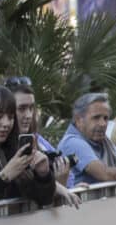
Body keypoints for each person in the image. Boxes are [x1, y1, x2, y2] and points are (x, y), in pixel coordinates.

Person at [5, 80, 81, 208]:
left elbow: (66, 173)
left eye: (31, 108)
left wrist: (71, 188)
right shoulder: (0, 146)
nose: (28, 115)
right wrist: (56, 185)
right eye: (21, 109)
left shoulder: (37, 139)